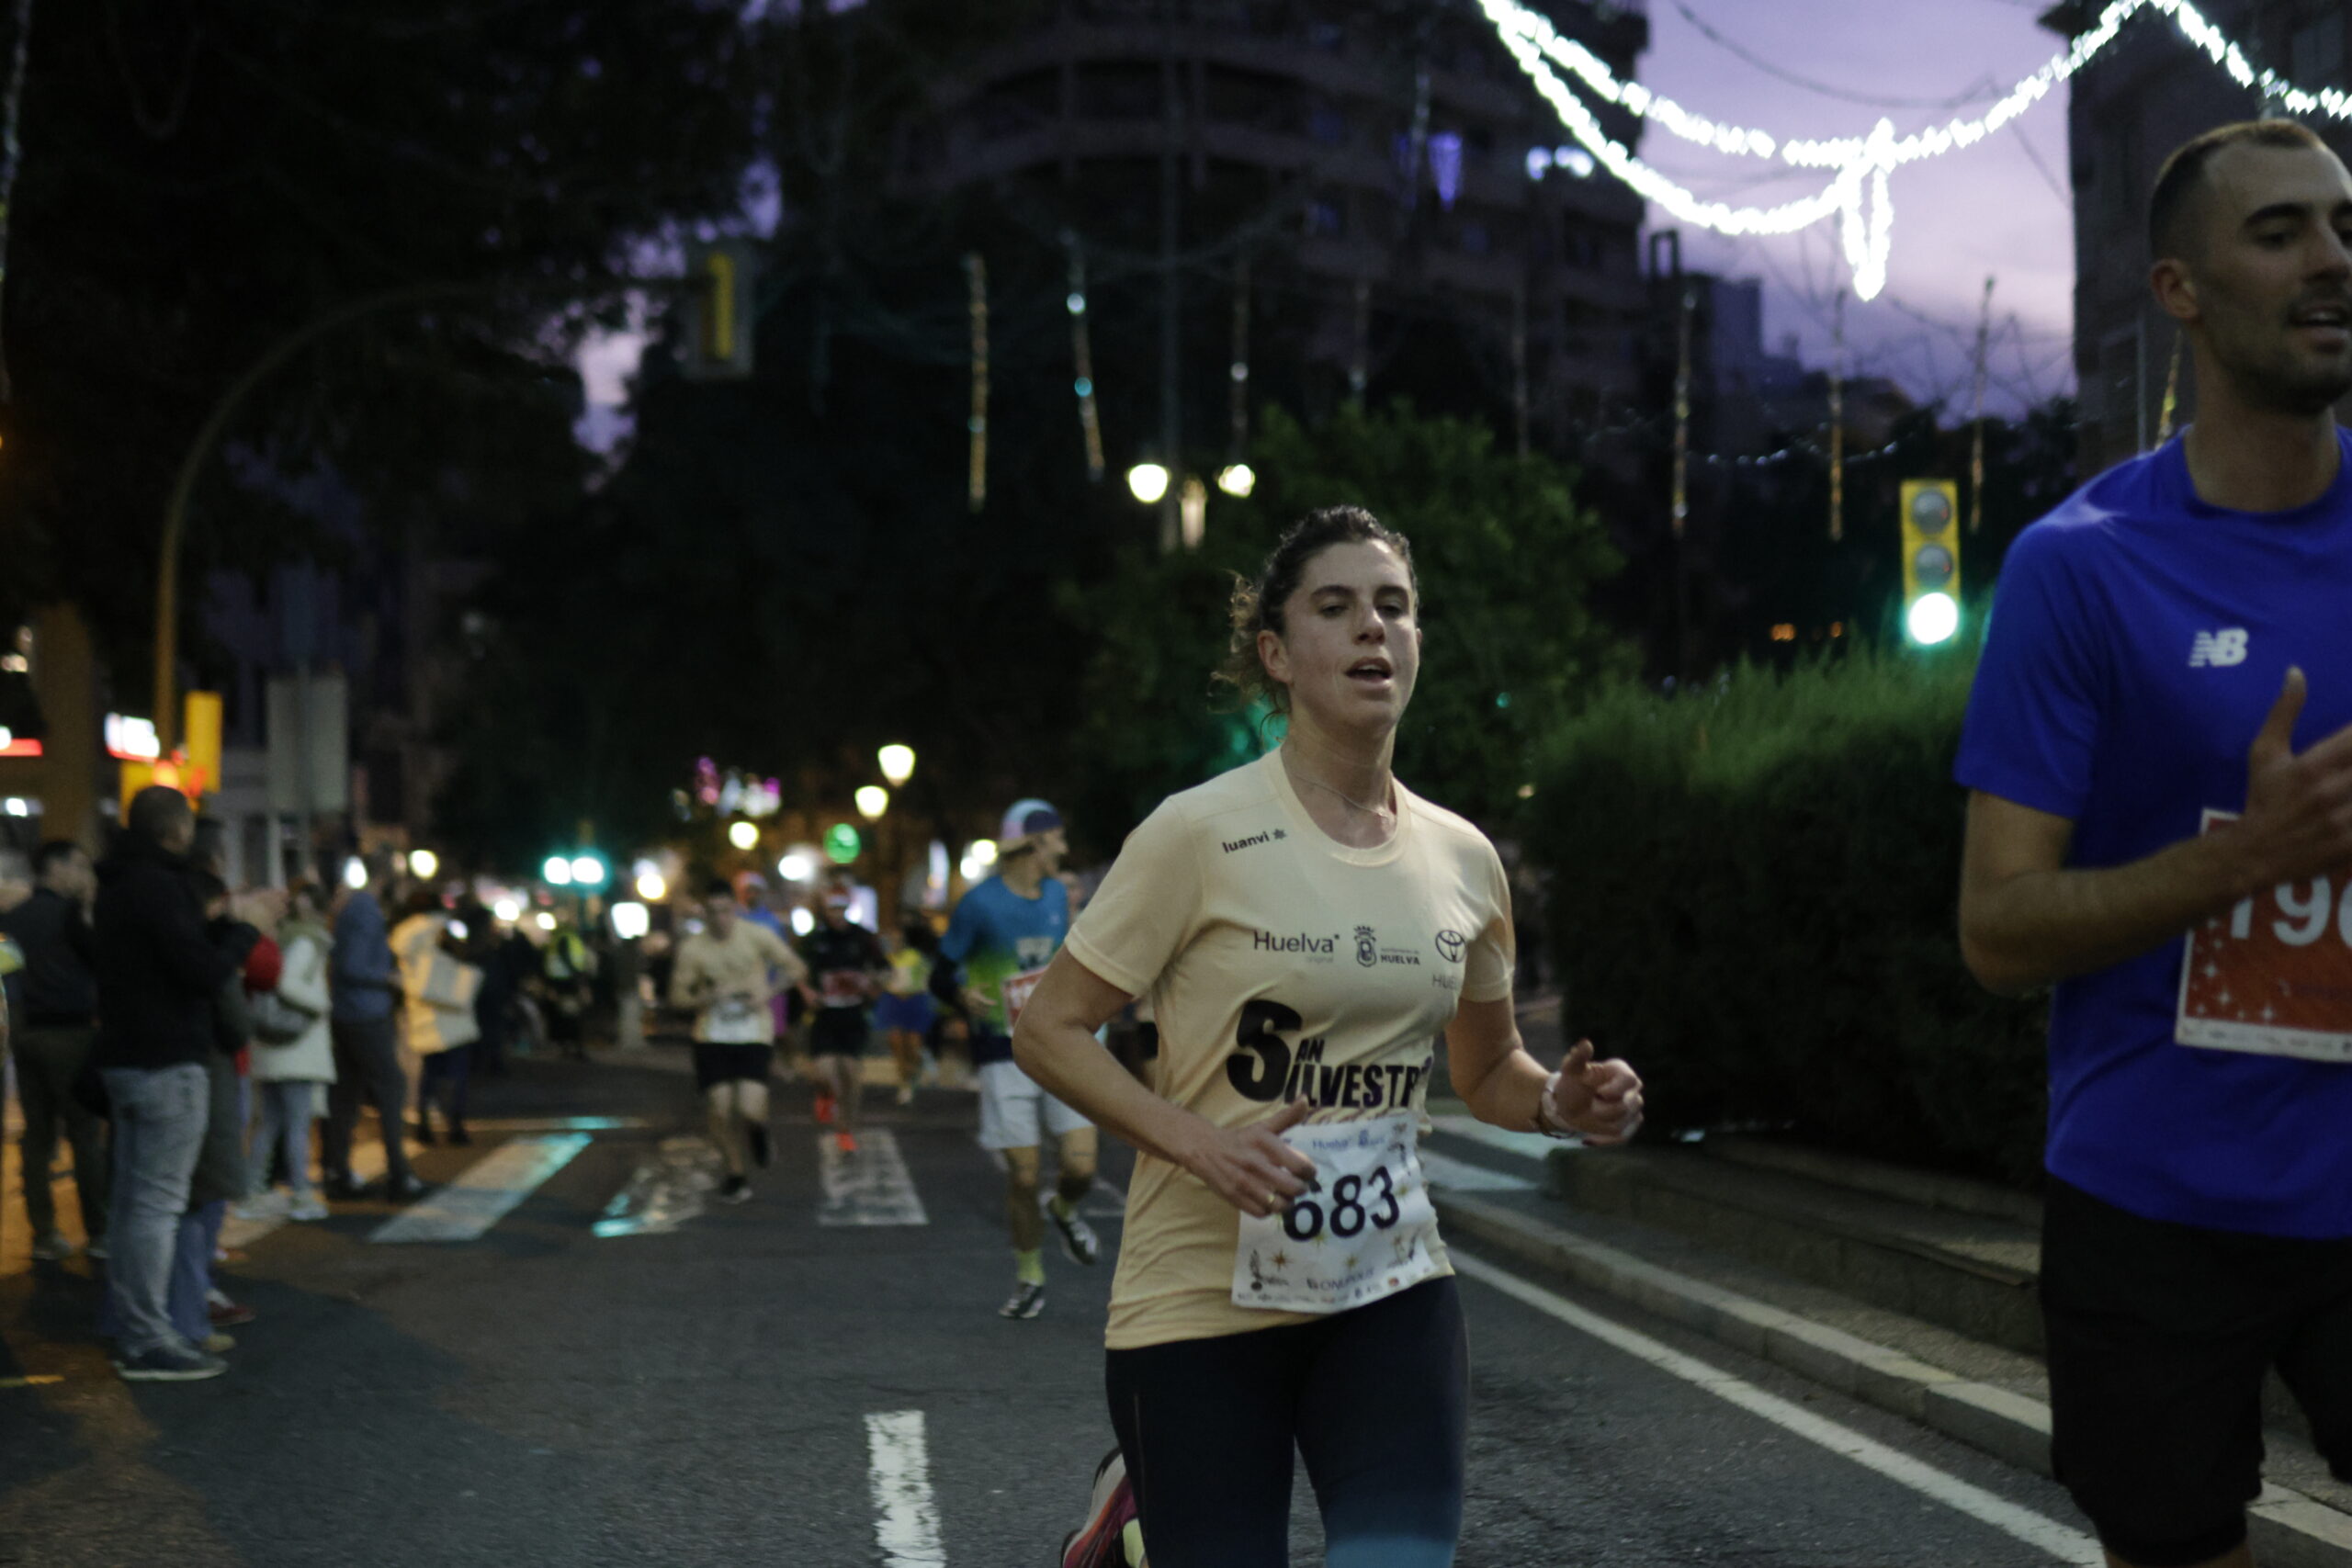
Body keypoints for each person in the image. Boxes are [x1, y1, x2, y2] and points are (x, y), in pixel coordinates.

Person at [1013, 509, 1643, 1567]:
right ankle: (1137, 1526)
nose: (1371, 629)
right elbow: (1049, 1029)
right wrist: (1199, 1143)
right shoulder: (1195, 833)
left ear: (1417, 641)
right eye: (1336, 607)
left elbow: (1486, 1067)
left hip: (1387, 1288)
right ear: (1275, 653)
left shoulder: (1462, 858)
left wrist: (1554, 1103)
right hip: (1198, 1302)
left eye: (1393, 607)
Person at [1956, 119, 2352, 1568]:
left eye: (2346, 227)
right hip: (2153, 1198)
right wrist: (2241, 861)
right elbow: (1997, 927)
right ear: (2178, 289)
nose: (2332, 260)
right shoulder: (2080, 567)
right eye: (2281, 233)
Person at [91, 787, 257, 1381]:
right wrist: (244, 932)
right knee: (157, 1208)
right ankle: (147, 1337)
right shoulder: (161, 887)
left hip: (125, 1059)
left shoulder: (114, 884)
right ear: (178, 831)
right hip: (166, 1061)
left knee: (132, 1207)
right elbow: (201, 972)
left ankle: (133, 1327)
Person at [933, 800, 1099, 1320]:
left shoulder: (1057, 895)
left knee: (1081, 1166)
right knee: (1024, 1177)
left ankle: (1063, 1209)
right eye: (1057, 840)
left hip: (1061, 1046)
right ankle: (1030, 1276)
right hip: (1001, 1052)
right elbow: (940, 972)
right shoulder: (978, 905)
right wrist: (961, 995)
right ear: (1033, 844)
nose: (1064, 850)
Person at [0, 840, 108, 1262]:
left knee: (38, 1136)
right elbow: (100, 961)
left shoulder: (12, 918)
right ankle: (98, 1231)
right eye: (78, 865)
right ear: (55, 867)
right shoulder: (70, 916)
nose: (83, 874)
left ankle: (43, 1233)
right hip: (69, 1033)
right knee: (84, 1133)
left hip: (24, 1033)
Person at [668, 878, 808, 1202]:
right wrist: (706, 997)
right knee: (719, 1110)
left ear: (735, 908)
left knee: (749, 1108)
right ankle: (736, 1173)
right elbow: (677, 997)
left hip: (753, 1031)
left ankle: (759, 1130)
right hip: (712, 1034)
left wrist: (767, 992)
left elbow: (796, 968)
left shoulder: (757, 935)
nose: (720, 919)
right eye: (712, 912)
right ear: (704, 913)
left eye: (726, 911)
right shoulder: (693, 949)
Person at [322, 862, 425, 1202]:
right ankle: (399, 1174)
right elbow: (352, 966)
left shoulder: (352, 908)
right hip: (365, 1014)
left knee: (346, 1093)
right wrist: (388, 977)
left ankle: (338, 1172)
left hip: (346, 1012)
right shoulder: (366, 909)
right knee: (390, 1086)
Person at [244, 878, 335, 1220]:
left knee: (269, 1124)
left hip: (272, 1046)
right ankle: (301, 1194)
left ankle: (252, 1192)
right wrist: (322, 1003)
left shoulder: (280, 939)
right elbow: (287, 982)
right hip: (297, 1048)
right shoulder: (308, 941)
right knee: (297, 1125)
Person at [797, 888, 888, 1155]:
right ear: (824, 910)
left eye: (841, 908)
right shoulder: (815, 939)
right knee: (824, 1072)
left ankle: (846, 1129)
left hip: (853, 1015)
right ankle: (825, 1094)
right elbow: (797, 970)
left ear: (848, 908)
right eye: (832, 909)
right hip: (825, 1014)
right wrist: (807, 992)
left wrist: (873, 985)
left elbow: (884, 969)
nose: (837, 914)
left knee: (851, 1075)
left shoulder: (863, 937)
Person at [392, 888, 481, 1145]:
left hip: (422, 1009)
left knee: (429, 1072)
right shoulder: (443, 928)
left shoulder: (402, 936)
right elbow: (465, 955)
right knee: (457, 1073)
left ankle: (424, 1124)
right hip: (452, 1007)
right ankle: (456, 1125)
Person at [877, 916, 939, 1106]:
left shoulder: (916, 957)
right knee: (897, 1043)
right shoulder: (887, 959)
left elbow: (927, 979)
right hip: (894, 1002)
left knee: (912, 1044)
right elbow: (883, 980)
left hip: (915, 1001)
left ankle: (919, 1065)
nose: (894, 942)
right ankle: (905, 1083)